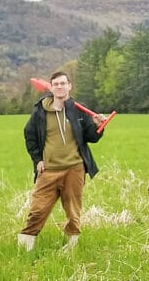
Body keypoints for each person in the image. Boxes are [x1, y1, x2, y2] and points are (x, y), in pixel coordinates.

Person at [17, 71, 105, 251]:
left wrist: (97, 125)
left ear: (69, 86)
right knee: (38, 210)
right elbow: (30, 135)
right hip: (49, 170)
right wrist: (37, 160)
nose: (60, 87)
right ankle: (25, 248)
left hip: (75, 168)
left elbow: (91, 137)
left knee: (73, 211)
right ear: (51, 87)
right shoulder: (40, 111)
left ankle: (71, 247)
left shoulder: (79, 109)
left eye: (63, 83)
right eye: (56, 84)